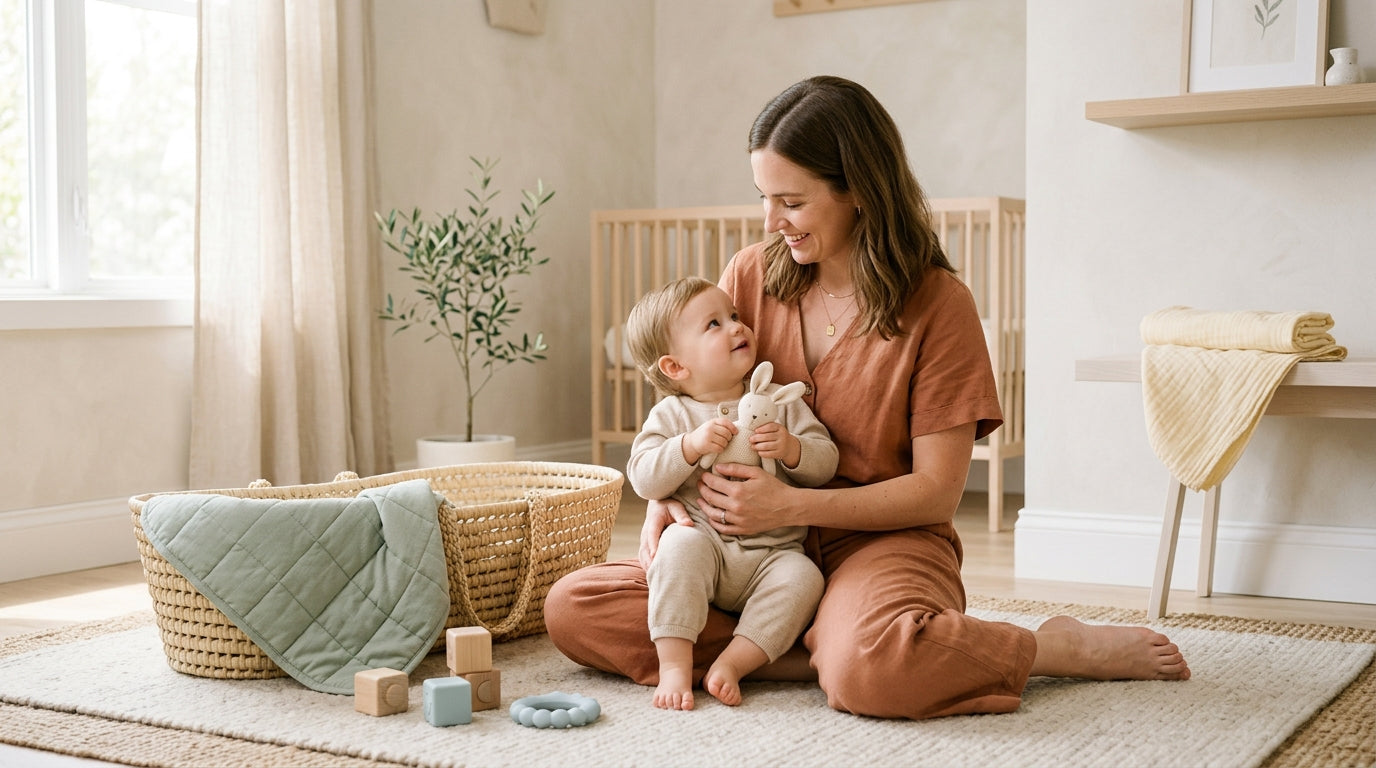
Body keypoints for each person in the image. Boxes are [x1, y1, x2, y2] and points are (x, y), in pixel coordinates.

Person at [547, 75, 1190, 720]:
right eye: (765, 198)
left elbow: (936, 491)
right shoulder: (749, 275)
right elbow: (697, 393)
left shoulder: (940, 305)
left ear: (856, 189)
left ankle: (1047, 648)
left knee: (880, 671)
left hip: (878, 543)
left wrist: (790, 503)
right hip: (740, 553)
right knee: (573, 607)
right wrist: (667, 499)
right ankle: (821, 648)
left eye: (791, 202)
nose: (772, 222)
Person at [622, 276, 838, 710]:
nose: (737, 327)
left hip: (772, 555)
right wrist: (689, 446)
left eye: (735, 317)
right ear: (675, 367)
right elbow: (643, 476)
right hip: (706, 547)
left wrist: (793, 449)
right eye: (714, 324)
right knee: (679, 547)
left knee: (805, 579)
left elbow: (826, 461)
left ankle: (734, 663)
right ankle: (676, 666)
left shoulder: (779, 400)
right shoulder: (673, 413)